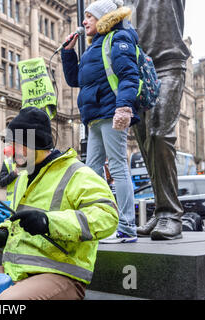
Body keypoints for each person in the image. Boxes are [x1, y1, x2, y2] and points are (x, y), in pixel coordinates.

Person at [0, 107, 119, 300]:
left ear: (32, 144)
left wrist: (49, 222)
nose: (8, 152)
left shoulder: (78, 173)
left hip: (61, 272)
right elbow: (18, 220)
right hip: (17, 269)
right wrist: (3, 234)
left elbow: (108, 216)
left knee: (9, 301)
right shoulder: (23, 177)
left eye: (14, 144)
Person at [61, 0, 139, 243]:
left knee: (117, 167)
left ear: (104, 19)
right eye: (84, 17)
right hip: (94, 116)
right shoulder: (94, 46)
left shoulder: (118, 38)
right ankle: (100, 221)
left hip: (110, 112)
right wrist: (68, 53)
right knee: (92, 171)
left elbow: (129, 74)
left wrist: (124, 107)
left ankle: (127, 226)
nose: (84, 22)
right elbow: (77, 80)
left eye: (89, 17)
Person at [123, 0, 190, 240]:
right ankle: (161, 210)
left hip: (168, 64)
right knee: (145, 142)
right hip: (139, 69)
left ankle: (171, 214)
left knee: (159, 135)